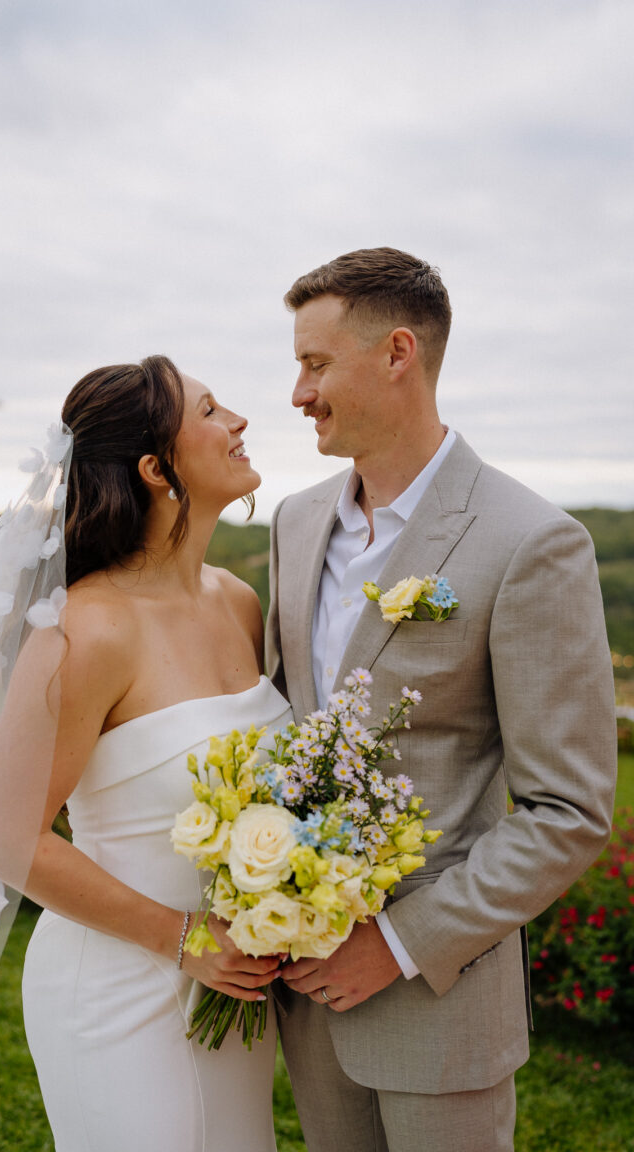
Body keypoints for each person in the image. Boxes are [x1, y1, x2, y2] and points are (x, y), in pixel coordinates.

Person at [0, 356, 291, 1152]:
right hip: (118, 989)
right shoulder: (86, 630)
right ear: (156, 469)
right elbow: (4, 840)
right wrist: (184, 938)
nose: (238, 421)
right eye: (210, 411)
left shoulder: (237, 602)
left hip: (233, 985)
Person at [266, 248, 617, 1152]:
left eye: (314, 364)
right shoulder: (297, 523)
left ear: (397, 353)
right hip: (304, 997)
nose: (298, 393)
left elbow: (567, 810)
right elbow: (283, 728)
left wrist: (397, 941)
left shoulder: (532, 540)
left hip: (439, 1000)